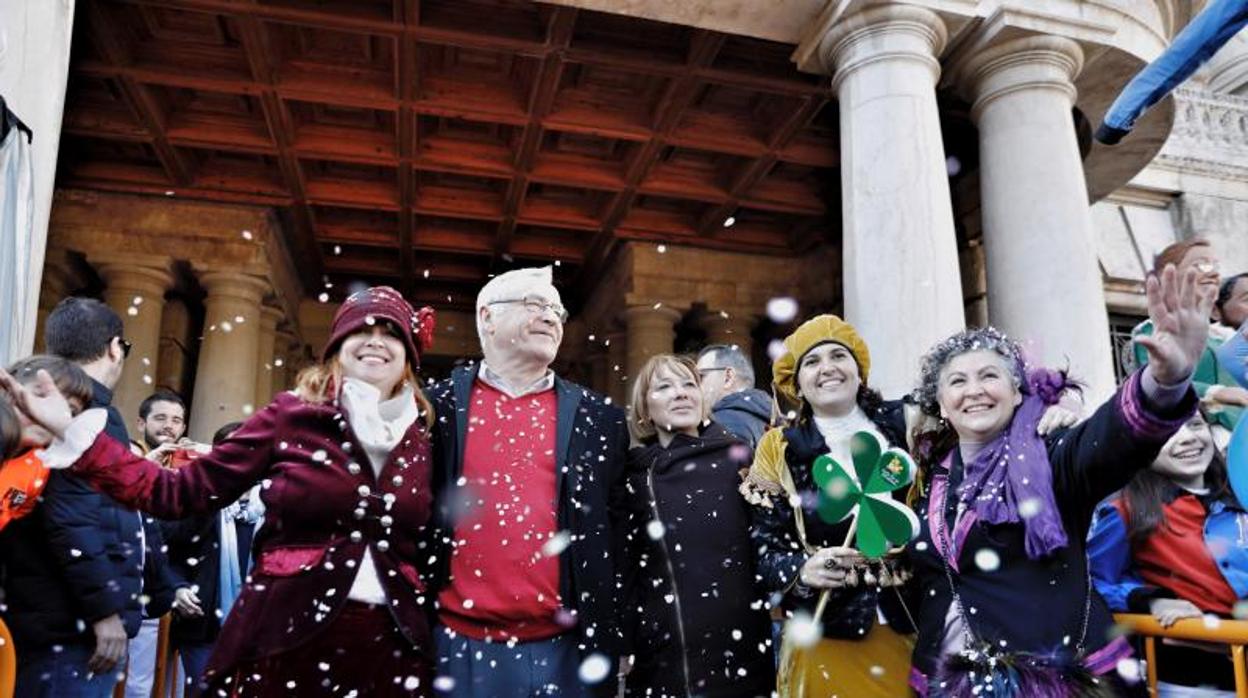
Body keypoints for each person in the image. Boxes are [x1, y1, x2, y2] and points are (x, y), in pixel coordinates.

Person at [2, 286, 440, 696]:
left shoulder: (424, 437)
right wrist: (71, 431)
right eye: (362, 330)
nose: (375, 342)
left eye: (391, 334)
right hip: (286, 635)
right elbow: (176, 493)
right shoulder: (293, 414)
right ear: (336, 348)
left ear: (409, 355)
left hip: (393, 643)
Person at [904, 264, 1210, 696]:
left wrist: (1165, 383)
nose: (973, 390)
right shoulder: (927, 477)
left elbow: (1112, 439)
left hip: (1062, 679)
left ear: (1017, 392)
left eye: (989, 376)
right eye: (957, 381)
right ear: (941, 402)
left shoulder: (1051, 453)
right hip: (951, 683)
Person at [426, 267, 632, 697]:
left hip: (569, 648)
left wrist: (617, 633)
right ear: (487, 318)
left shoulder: (600, 419)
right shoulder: (435, 407)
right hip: (455, 643)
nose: (551, 317)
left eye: (556, 310)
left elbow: (619, 533)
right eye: (535, 305)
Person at [738, 314, 921, 696]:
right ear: (798, 383)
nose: (827, 368)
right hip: (828, 633)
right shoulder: (780, 448)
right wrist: (803, 570)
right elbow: (763, 548)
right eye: (812, 362)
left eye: (839, 356)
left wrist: (1049, 413)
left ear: (859, 371)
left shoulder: (908, 424)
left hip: (915, 626)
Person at [5, 297, 172, 698]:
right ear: (116, 347)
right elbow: (74, 518)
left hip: (35, 612)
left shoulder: (36, 404)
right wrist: (105, 610)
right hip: (67, 622)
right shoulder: (91, 414)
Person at [623, 354, 775, 697]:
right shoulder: (633, 476)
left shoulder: (740, 459)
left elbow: (767, 545)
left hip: (740, 644)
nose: (680, 393)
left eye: (689, 384)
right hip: (664, 650)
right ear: (645, 408)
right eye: (664, 387)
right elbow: (626, 566)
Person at [1089, 409, 1247, 695]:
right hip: (1197, 681)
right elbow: (1092, 583)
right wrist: (1150, 601)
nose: (1187, 438)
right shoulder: (1124, 511)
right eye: (1167, 431)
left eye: (1196, 424)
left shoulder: (1241, 493)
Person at [160, 420, 261, 694]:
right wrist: (176, 588)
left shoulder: (277, 500)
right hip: (204, 623)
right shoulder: (195, 497)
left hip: (261, 626)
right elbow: (164, 549)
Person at [1132, 240, 1246, 431]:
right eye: (1200, 265)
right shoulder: (1154, 331)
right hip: (1199, 435)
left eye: (1215, 265)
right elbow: (1154, 385)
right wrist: (1216, 392)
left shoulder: (1225, 335)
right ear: (1167, 276)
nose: (1214, 273)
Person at [124, 389, 190, 698]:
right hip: (124, 589)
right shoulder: (123, 460)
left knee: (146, 685)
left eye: (176, 420)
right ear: (140, 423)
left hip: (166, 595)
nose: (169, 426)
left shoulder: (188, 473)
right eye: (160, 418)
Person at [0, 356, 93, 532]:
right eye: (40, 396)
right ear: (8, 388)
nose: (47, 413)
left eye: (70, 411)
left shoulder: (41, 467)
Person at [695, 344, 772, 450]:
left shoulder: (723, 423)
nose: (695, 385)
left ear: (728, 377)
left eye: (700, 376)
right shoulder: (770, 420)